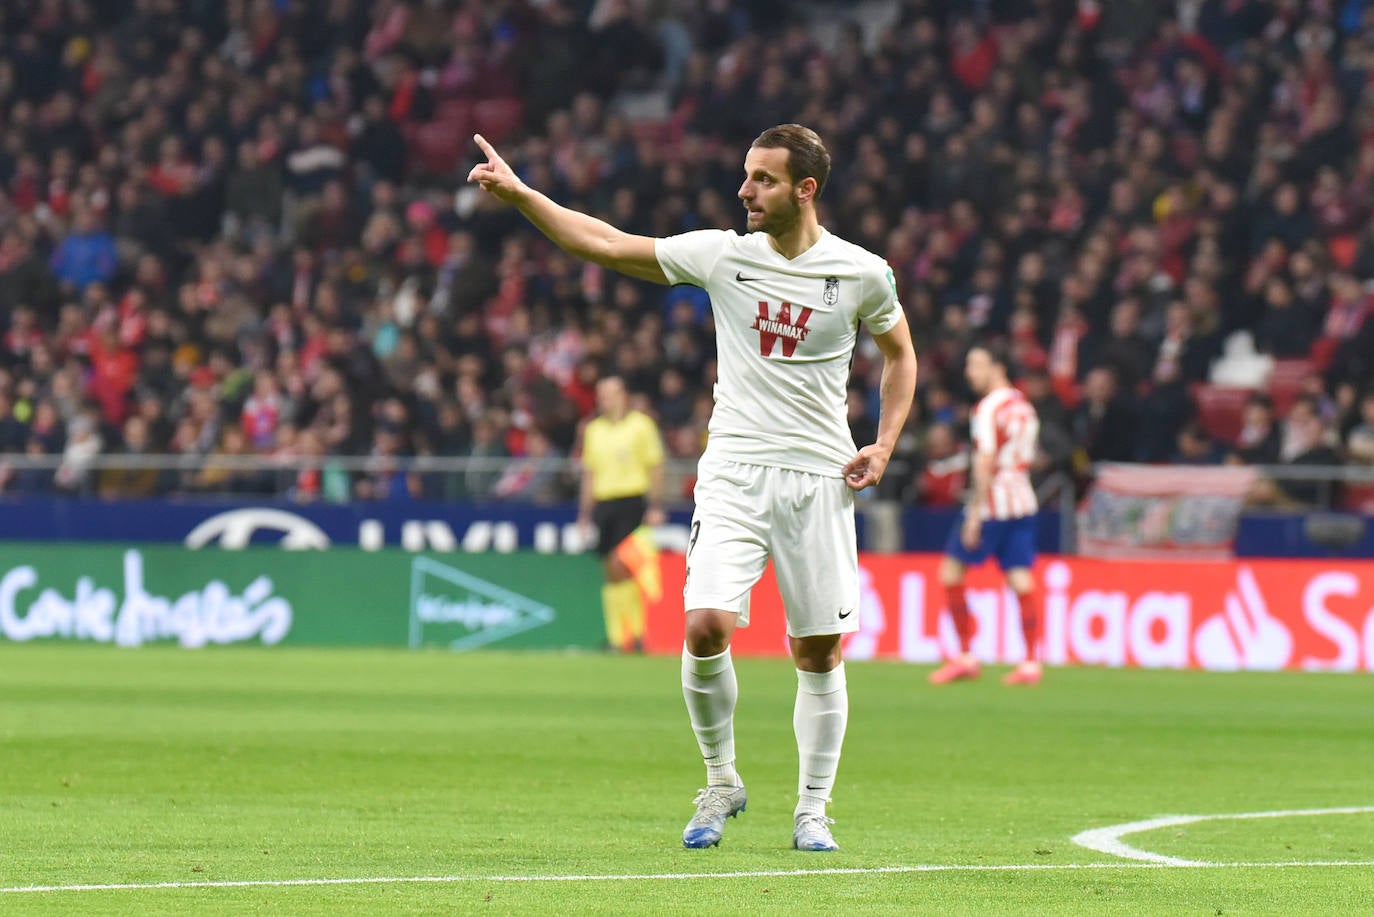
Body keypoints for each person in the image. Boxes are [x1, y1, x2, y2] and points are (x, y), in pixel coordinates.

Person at [469, 123, 919, 852]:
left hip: (818, 476)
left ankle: (812, 808)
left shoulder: (862, 272)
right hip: (734, 471)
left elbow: (901, 355)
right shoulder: (722, 256)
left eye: (763, 179)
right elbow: (606, 243)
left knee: (818, 652)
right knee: (705, 624)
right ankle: (720, 779)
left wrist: (886, 442)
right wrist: (522, 196)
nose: (745, 190)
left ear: (805, 189)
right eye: (746, 174)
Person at [929, 343, 1044, 686]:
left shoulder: (988, 408)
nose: (970, 372)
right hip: (1023, 499)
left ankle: (966, 656)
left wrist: (975, 514)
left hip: (993, 503)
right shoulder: (1024, 405)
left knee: (951, 573)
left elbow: (984, 461)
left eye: (977, 364)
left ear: (998, 367)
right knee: (1020, 577)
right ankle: (1030, 663)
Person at [578, 375, 667, 653]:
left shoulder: (641, 425)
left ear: (623, 395)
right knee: (609, 568)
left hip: (632, 500)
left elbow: (655, 466)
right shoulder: (593, 430)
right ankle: (618, 637)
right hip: (604, 502)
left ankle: (634, 634)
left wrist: (655, 505)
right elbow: (589, 473)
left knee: (622, 563)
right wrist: (585, 513)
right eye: (601, 394)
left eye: (610, 394)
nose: (604, 399)